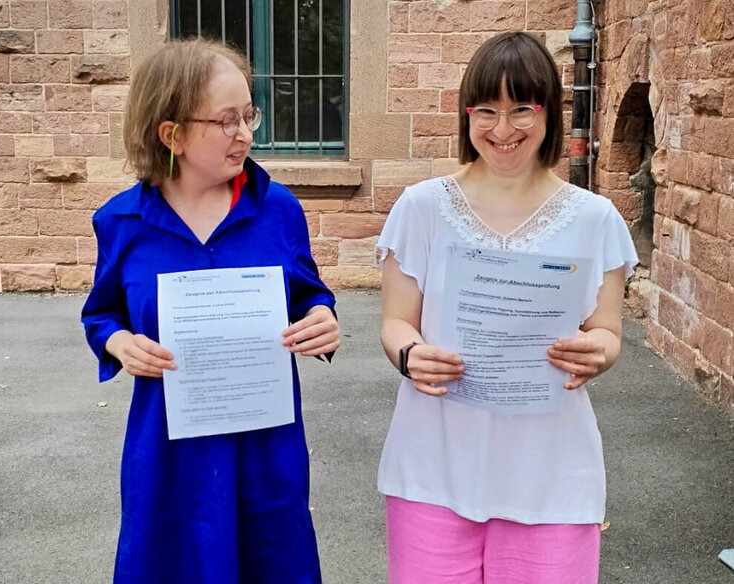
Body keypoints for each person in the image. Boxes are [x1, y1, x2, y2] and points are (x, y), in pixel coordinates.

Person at [376, 32, 638, 584]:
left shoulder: (595, 220)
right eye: (486, 111)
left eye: (522, 109)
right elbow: (397, 321)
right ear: (466, 115)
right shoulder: (422, 208)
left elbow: (607, 331)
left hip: (550, 470)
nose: (502, 130)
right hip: (435, 461)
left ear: (549, 114)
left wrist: (598, 352)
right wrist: (410, 355)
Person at [81, 39, 340, 584]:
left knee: (271, 559)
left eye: (249, 114)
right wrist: (119, 343)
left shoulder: (278, 209)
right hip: (170, 449)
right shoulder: (121, 222)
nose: (246, 133)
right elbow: (101, 314)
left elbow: (310, 294)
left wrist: (322, 318)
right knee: (172, 561)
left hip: (264, 443)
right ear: (171, 132)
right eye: (227, 120)